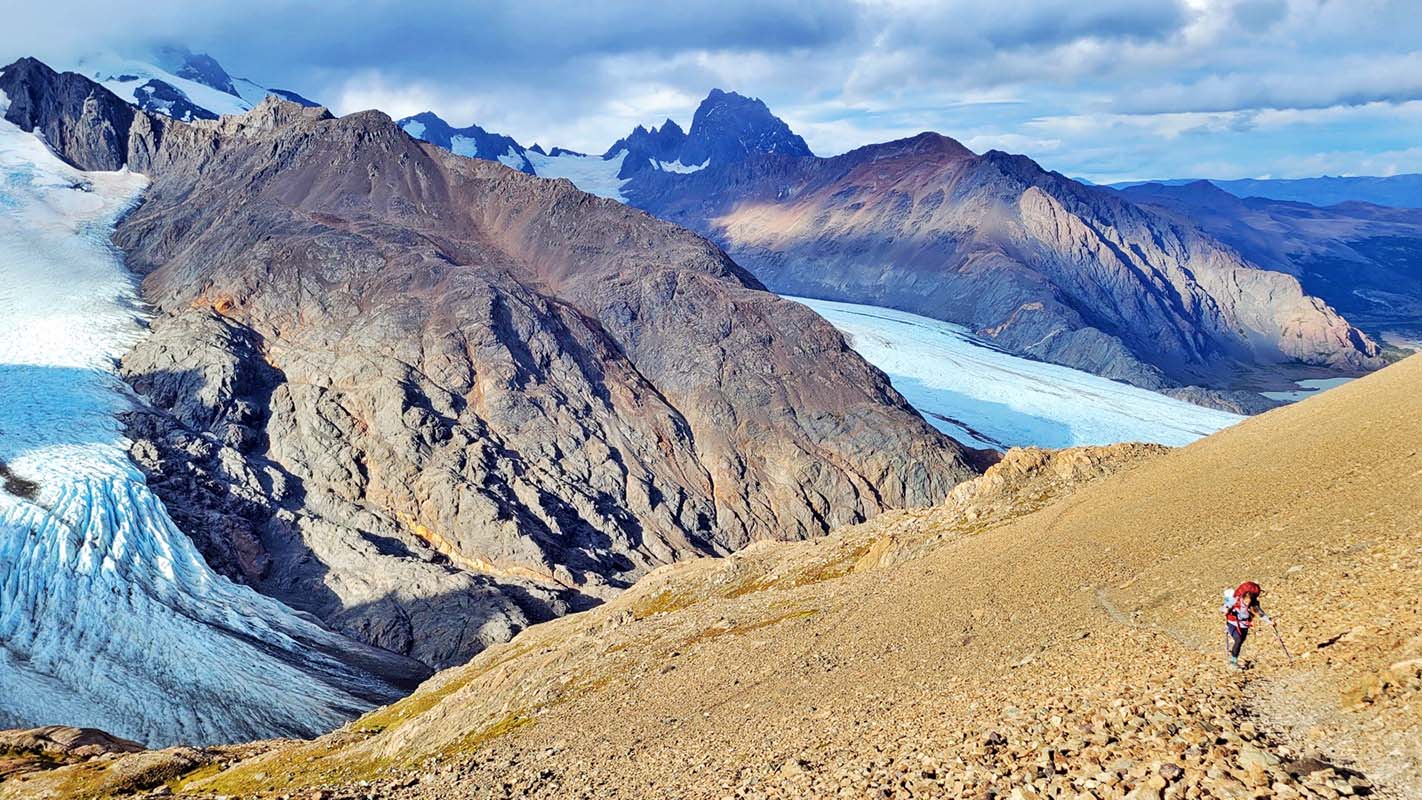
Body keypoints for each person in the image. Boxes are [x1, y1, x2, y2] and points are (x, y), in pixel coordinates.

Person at [1223, 581, 1274, 669]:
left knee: (1240, 642)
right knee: (1238, 640)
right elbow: (1225, 606)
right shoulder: (1236, 600)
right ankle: (1233, 661)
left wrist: (1270, 622)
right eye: (1246, 598)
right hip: (1233, 623)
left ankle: (1234, 656)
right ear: (1243, 596)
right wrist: (1226, 610)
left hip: (1244, 625)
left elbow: (1261, 614)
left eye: (1250, 598)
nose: (1248, 601)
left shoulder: (1254, 604)